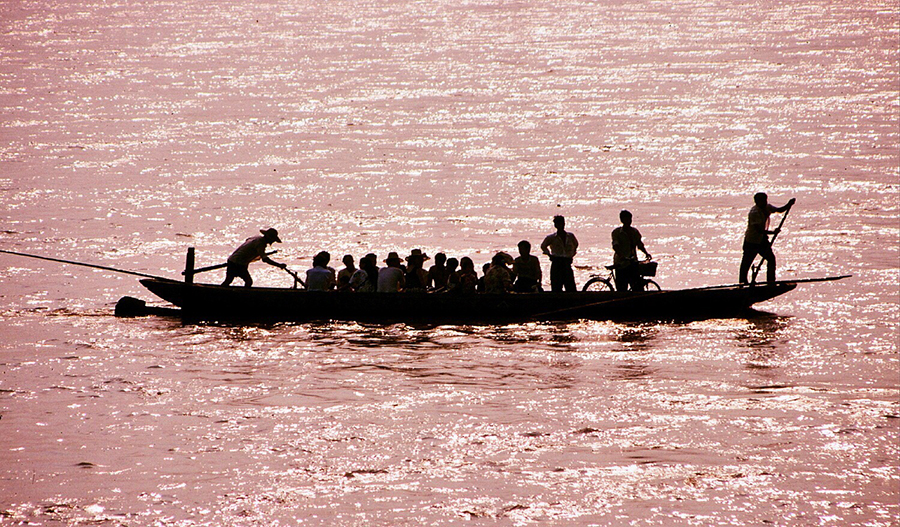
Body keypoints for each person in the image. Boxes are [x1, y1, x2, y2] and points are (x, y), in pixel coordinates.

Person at [740, 193, 796, 284]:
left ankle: (770, 282)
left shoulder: (767, 207)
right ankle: (742, 284)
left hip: (762, 240)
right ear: (757, 202)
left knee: (771, 259)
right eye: (762, 201)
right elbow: (759, 230)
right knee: (746, 264)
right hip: (751, 241)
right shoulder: (754, 213)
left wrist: (789, 204)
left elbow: (779, 210)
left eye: (765, 200)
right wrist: (773, 232)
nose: (764, 202)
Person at [221, 228, 286, 287]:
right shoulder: (261, 244)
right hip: (238, 262)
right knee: (248, 282)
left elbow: (248, 243)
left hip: (233, 260)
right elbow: (265, 259)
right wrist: (279, 265)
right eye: (273, 240)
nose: (273, 242)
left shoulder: (256, 238)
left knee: (228, 280)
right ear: (269, 238)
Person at [611, 210, 652, 292]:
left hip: (632, 262)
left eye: (630, 219)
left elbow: (639, 244)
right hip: (621, 263)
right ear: (622, 220)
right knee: (622, 289)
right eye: (626, 219)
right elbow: (615, 246)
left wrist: (646, 253)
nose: (629, 221)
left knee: (637, 287)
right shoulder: (617, 233)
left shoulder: (634, 232)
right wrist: (621, 256)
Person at [540, 215, 578, 292]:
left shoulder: (570, 236)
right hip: (557, 262)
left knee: (570, 287)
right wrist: (549, 254)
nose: (561, 225)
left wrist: (571, 254)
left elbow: (576, 245)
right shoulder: (551, 237)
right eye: (558, 224)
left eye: (562, 223)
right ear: (555, 225)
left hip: (567, 262)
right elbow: (543, 246)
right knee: (556, 287)